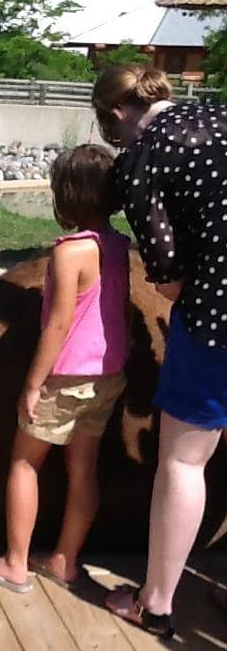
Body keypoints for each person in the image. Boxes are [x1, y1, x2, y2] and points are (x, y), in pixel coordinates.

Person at [93, 64, 227, 638]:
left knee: (184, 462)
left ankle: (157, 603)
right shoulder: (221, 113)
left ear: (118, 113)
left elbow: (168, 280)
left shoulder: (143, 159)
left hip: (217, 321)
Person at [0, 144, 131, 594]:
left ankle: (14, 564)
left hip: (65, 378)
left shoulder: (69, 253)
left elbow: (59, 325)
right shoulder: (118, 245)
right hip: (108, 375)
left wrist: (32, 384)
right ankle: (64, 560)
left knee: (25, 463)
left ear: (68, 195)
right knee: (84, 469)